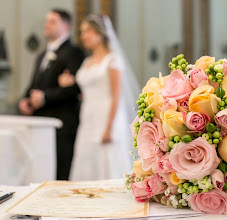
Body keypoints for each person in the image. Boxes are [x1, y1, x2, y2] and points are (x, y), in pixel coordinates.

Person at [59, 14, 139, 180]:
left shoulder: (112, 60)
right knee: (86, 159)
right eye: (82, 32)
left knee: (107, 160)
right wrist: (68, 82)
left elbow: (116, 96)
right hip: (88, 117)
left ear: (100, 33)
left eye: (88, 31)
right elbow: (86, 90)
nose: (83, 36)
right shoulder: (87, 61)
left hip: (107, 117)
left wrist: (109, 127)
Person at [18, 9, 85, 180]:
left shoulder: (73, 52)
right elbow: (34, 84)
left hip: (62, 122)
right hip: (40, 121)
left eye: (53, 21)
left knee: (60, 171)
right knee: (42, 171)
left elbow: (77, 87)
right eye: (47, 21)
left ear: (66, 26)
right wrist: (25, 100)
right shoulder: (42, 54)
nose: (46, 24)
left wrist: (45, 97)